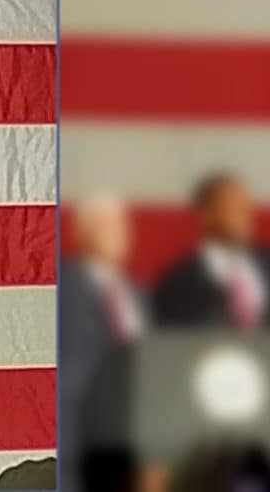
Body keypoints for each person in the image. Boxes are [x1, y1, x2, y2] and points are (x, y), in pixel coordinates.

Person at [59, 193, 145, 492]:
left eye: (120, 225)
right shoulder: (65, 290)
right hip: (82, 452)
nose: (118, 233)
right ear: (84, 232)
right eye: (106, 224)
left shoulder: (139, 294)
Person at [154, 172, 268, 329]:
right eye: (232, 206)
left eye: (245, 204)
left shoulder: (266, 263)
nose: (244, 213)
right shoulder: (178, 283)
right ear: (206, 214)